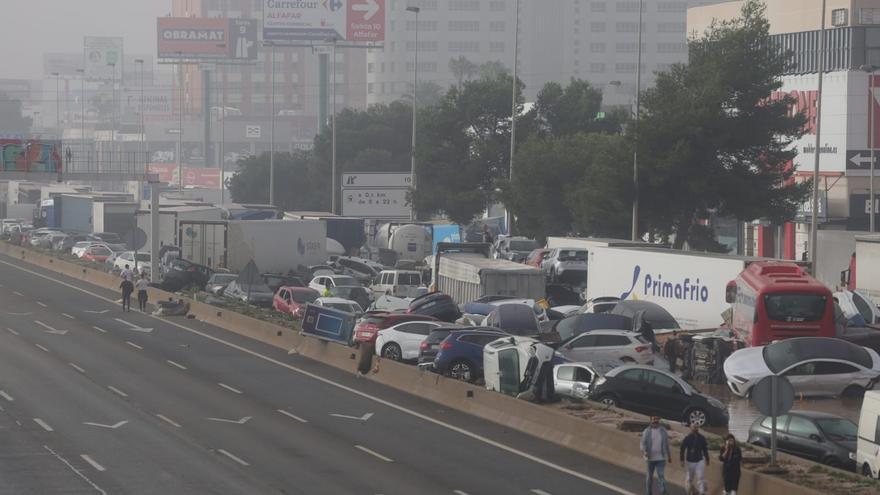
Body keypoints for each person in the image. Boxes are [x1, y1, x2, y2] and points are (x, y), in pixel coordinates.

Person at [640, 415, 671, 495]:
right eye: (653, 419)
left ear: (659, 420)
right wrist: (644, 452)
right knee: (649, 477)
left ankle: (663, 491)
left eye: (656, 419)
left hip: (661, 458)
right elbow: (642, 444)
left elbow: (667, 444)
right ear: (651, 420)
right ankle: (649, 492)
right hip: (650, 458)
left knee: (661, 475)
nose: (655, 421)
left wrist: (669, 456)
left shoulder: (663, 430)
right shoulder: (647, 431)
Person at [680, 422, 710, 495]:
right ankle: (692, 491)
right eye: (694, 427)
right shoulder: (687, 438)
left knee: (701, 477)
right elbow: (682, 449)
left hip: (699, 460)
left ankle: (702, 492)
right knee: (689, 479)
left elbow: (705, 449)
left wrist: (707, 459)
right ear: (691, 427)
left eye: (696, 427)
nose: (695, 428)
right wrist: (681, 460)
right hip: (690, 461)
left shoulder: (702, 438)